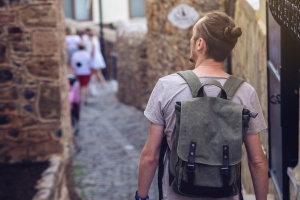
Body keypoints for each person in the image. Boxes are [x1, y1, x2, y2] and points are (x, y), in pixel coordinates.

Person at [136, 11, 268, 200]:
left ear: (200, 43)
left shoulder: (167, 86)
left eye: (192, 36)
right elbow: (258, 161)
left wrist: (140, 197)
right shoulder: (246, 92)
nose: (190, 40)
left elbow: (151, 155)